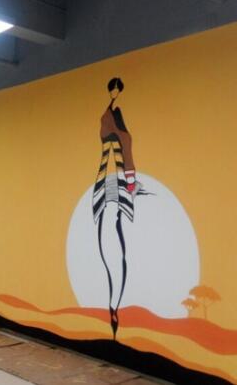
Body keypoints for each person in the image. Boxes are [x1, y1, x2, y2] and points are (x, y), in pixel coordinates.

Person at [92, 77, 142, 339]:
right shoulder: (109, 115)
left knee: (114, 241)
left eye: (117, 91)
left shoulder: (116, 116)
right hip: (108, 178)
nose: (115, 94)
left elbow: (127, 144)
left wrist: (130, 180)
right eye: (114, 90)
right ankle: (113, 304)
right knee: (106, 242)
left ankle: (114, 304)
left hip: (116, 178)